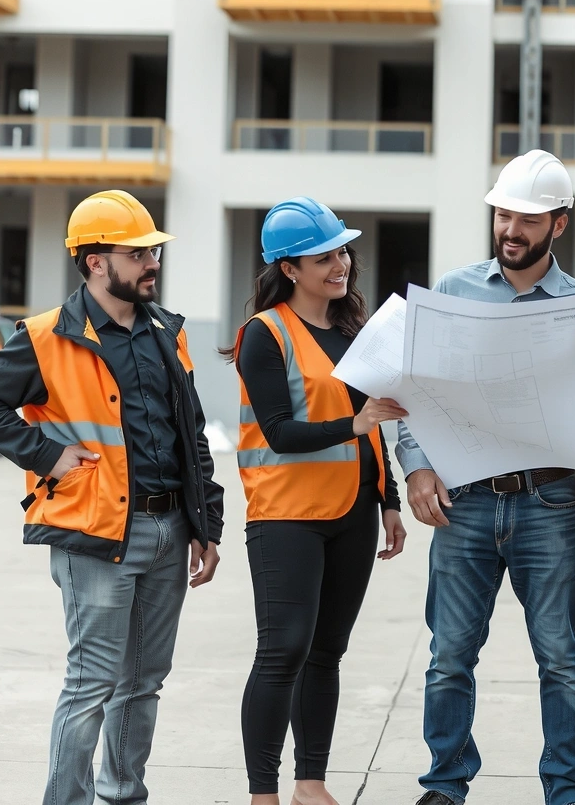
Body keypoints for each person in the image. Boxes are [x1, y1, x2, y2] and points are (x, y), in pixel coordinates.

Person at [0, 189, 224, 805]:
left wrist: (206, 523)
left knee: (144, 683)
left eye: (153, 251)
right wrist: (46, 454)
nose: (152, 263)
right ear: (96, 261)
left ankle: (123, 794)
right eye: (138, 253)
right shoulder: (47, 336)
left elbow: (190, 434)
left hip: (170, 531)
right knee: (92, 684)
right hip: (96, 534)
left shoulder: (167, 331)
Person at [398, 150, 575, 805]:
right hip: (464, 503)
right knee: (449, 657)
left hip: (549, 501)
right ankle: (445, 785)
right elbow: (414, 393)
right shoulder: (454, 291)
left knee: (561, 657)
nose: (511, 230)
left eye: (528, 220)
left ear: (559, 225)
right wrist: (417, 468)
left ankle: (567, 791)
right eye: (503, 216)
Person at [229, 197, 408, 805]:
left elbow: (376, 428)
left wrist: (388, 500)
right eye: (324, 257)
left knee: (327, 653)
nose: (341, 265)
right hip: (287, 517)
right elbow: (280, 431)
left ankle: (310, 784)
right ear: (289, 269)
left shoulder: (355, 333)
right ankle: (263, 794)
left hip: (354, 513)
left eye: (342, 252)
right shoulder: (265, 333)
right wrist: (355, 425)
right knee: (283, 651)